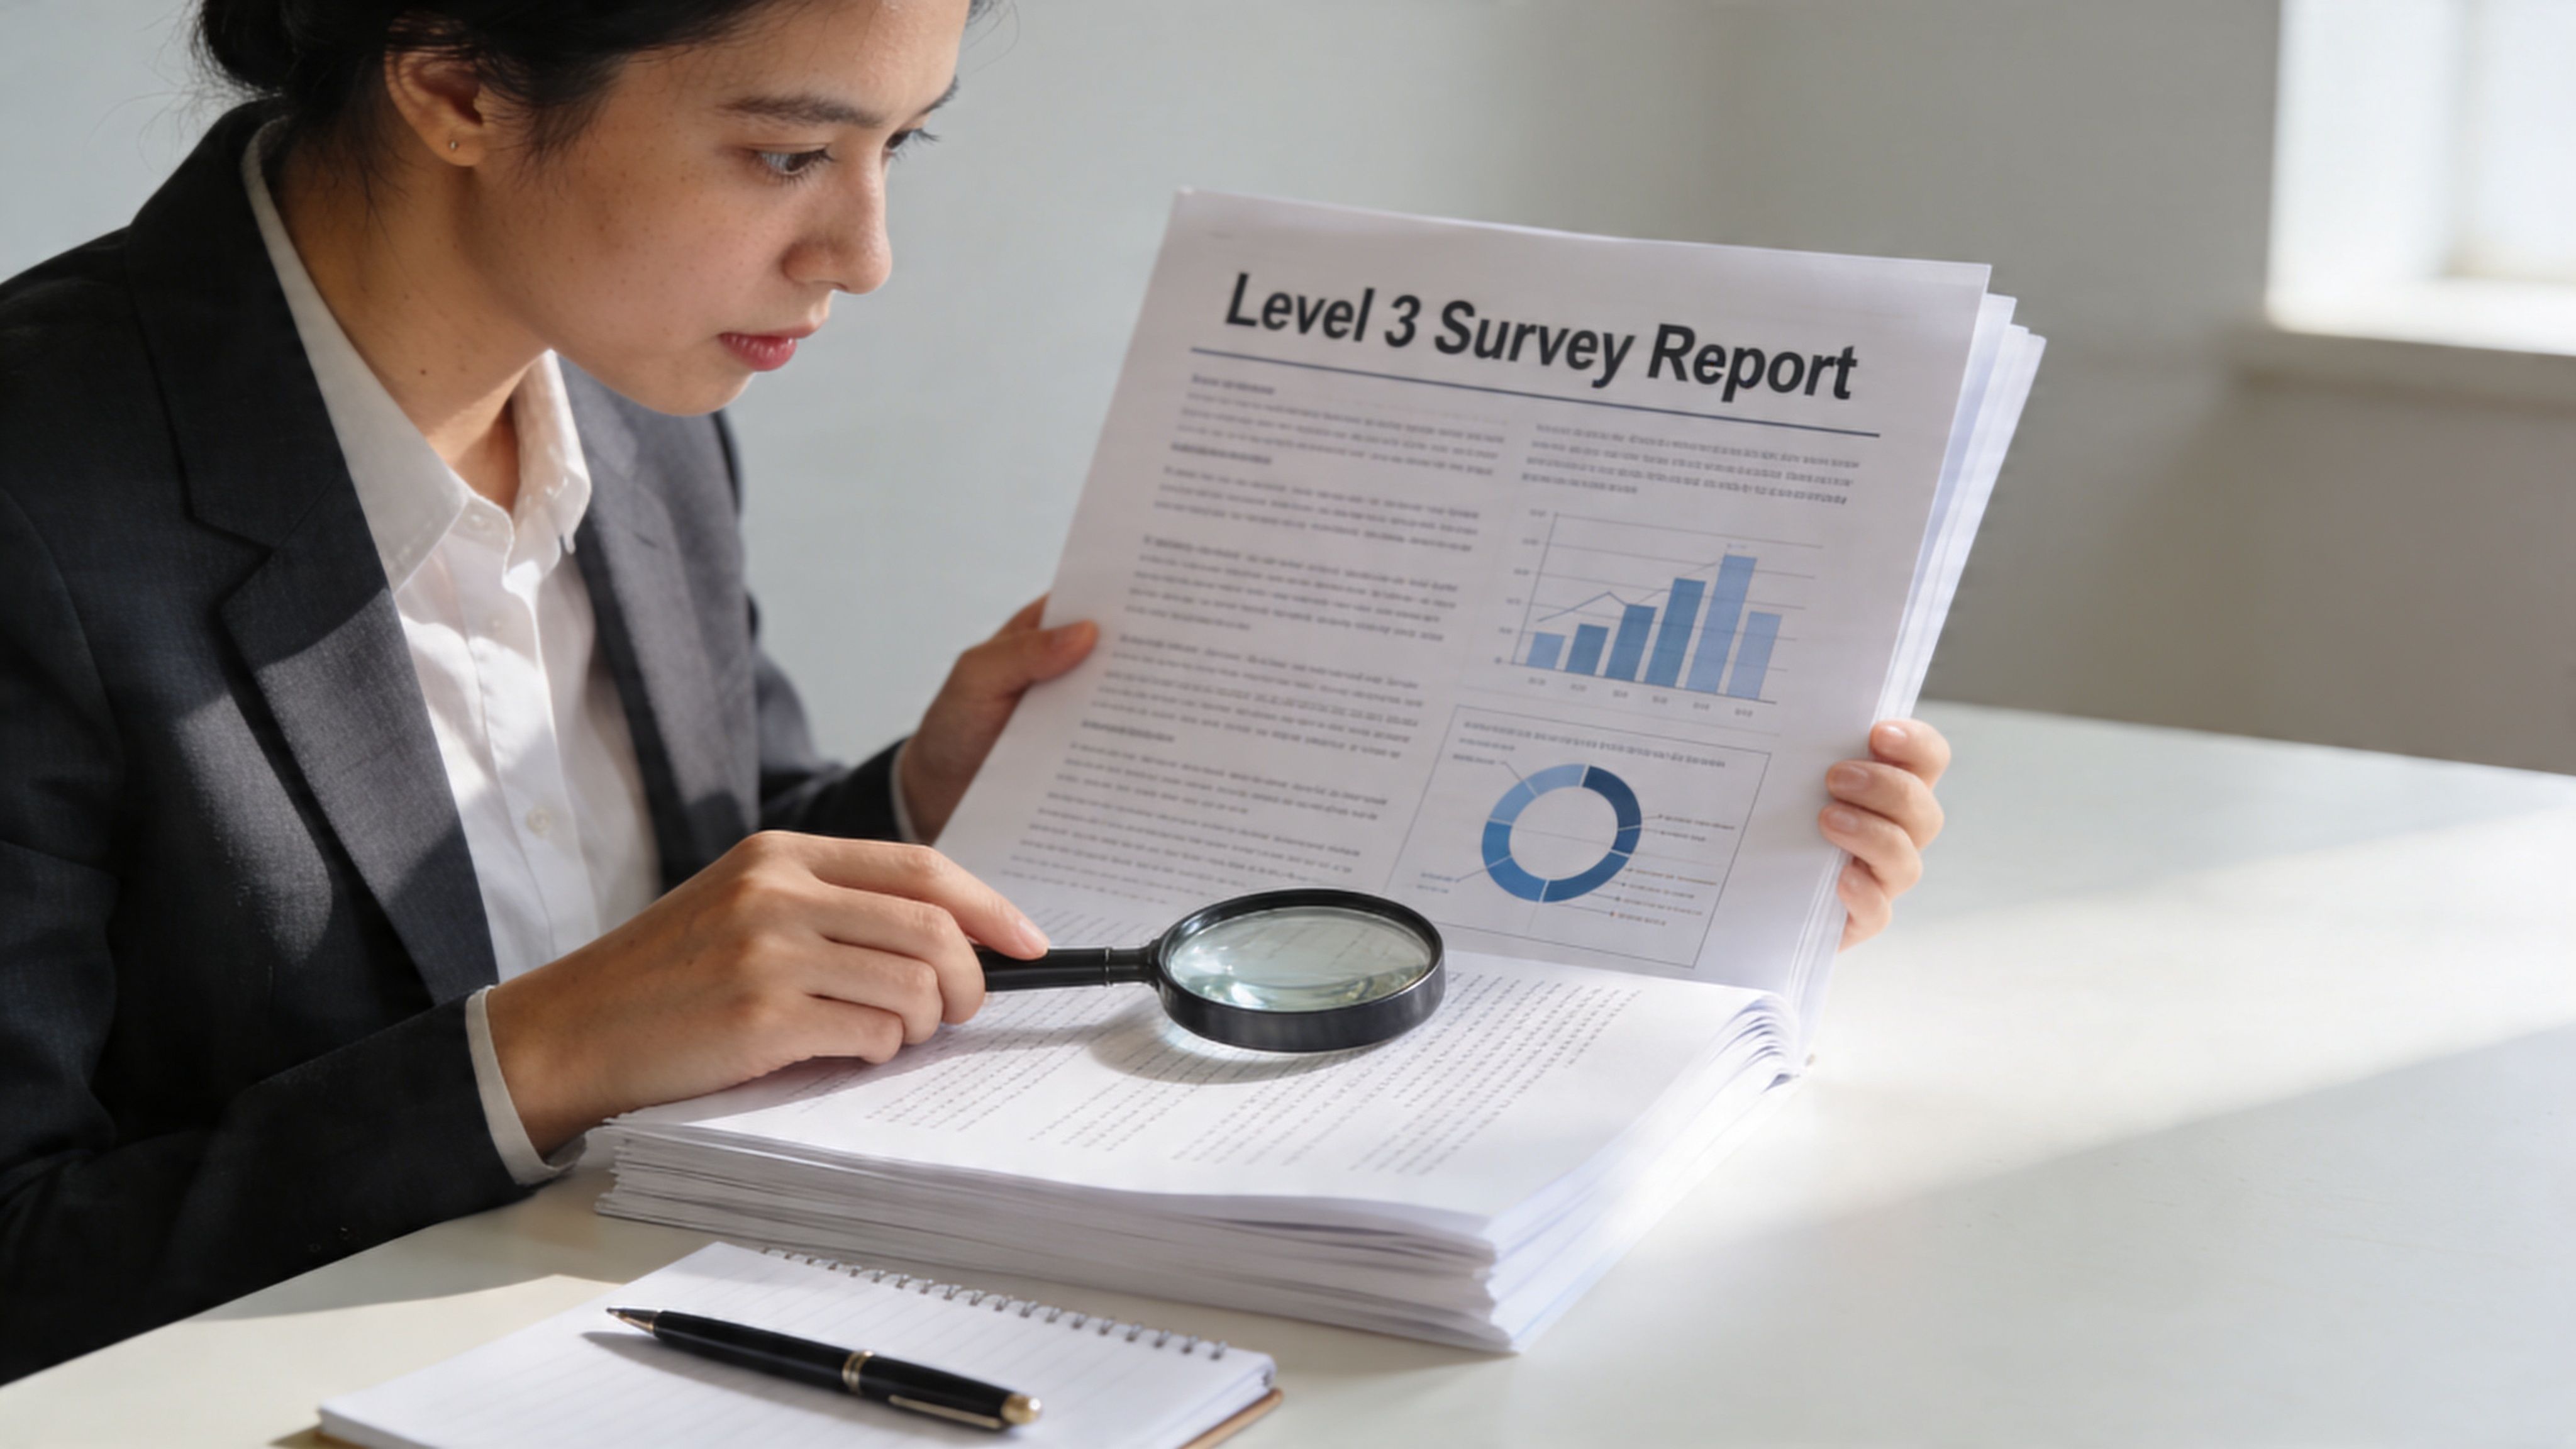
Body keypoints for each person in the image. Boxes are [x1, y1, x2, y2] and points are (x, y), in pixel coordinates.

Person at [0, 0, 1951, 1380]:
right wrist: (532, 1061)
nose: (862, 252)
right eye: (786, 154)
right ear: (458, 88)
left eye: (892, 149)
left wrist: (926, 803)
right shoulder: (42, 492)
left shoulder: (628, 393)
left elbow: (686, 915)